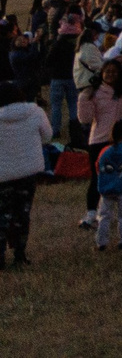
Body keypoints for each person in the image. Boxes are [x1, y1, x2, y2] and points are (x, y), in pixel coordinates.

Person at [0, 77, 51, 266]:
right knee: (23, 213)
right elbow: (48, 136)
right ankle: (20, 255)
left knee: (2, 215)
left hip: (3, 175)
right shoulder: (35, 112)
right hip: (28, 172)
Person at [92, 118, 122, 250]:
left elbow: (97, 167)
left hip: (106, 189)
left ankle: (101, 242)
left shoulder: (104, 150)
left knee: (104, 216)